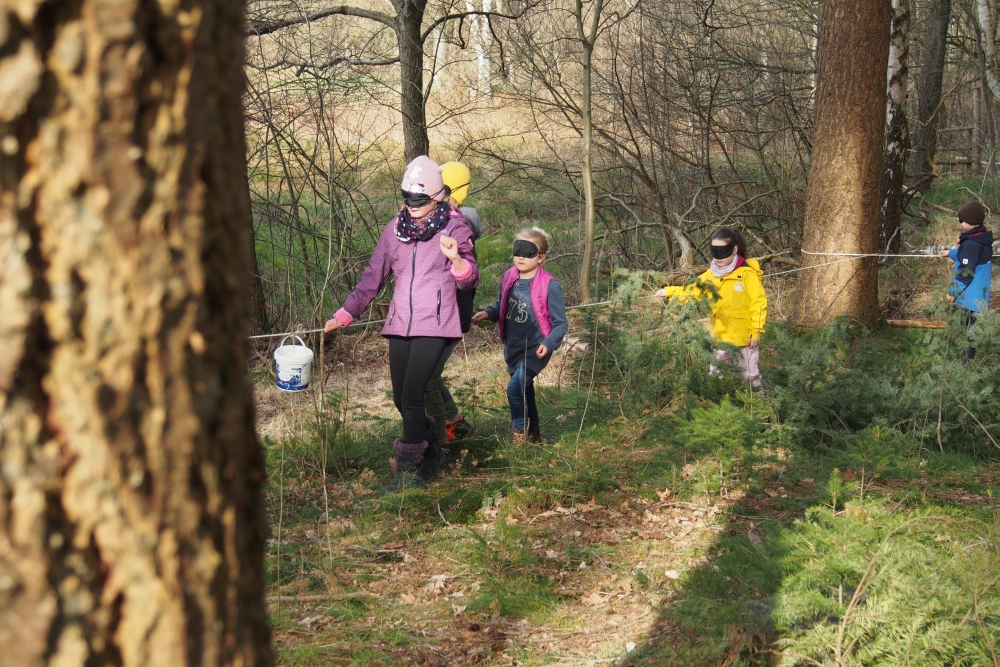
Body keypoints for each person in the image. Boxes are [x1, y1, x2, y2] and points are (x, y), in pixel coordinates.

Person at [324, 156, 479, 493]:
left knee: (412, 398)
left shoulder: (454, 228)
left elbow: (469, 281)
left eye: (419, 200)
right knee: (400, 399)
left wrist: (456, 260)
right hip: (399, 322)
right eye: (407, 198)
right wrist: (344, 314)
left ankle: (408, 473)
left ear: (438, 196)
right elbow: (371, 279)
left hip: (436, 324)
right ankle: (432, 449)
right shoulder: (395, 230)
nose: (412, 206)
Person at [472, 228, 568, 442]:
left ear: (541, 257)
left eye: (529, 252)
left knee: (515, 388)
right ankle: (535, 437)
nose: (521, 257)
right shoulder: (509, 277)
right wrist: (488, 313)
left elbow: (561, 323)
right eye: (518, 251)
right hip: (514, 347)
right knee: (525, 390)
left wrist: (549, 343)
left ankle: (519, 435)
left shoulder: (550, 286)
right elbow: (501, 306)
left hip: (536, 348)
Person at [656, 228, 767, 390]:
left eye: (723, 251)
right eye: (714, 251)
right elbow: (691, 290)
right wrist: (669, 292)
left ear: (734, 249)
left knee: (750, 376)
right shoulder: (710, 276)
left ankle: (757, 408)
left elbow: (759, 303)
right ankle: (719, 407)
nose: (718, 256)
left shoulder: (746, 274)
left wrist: (755, 331)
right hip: (719, 336)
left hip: (745, 338)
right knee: (717, 375)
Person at [423, 162, 481, 443]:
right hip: (435, 314)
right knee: (428, 375)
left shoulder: (457, 229)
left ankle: (442, 433)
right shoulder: (435, 221)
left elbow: (465, 278)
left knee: (427, 378)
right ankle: (453, 423)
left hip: (450, 315)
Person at [939, 201, 993, 363]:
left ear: (967, 222)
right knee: (970, 332)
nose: (960, 222)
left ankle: (963, 366)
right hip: (980, 299)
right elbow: (969, 257)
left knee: (967, 334)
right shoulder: (981, 239)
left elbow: (966, 272)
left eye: (960, 220)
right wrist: (951, 253)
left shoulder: (972, 243)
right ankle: (965, 363)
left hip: (969, 300)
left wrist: (952, 292)